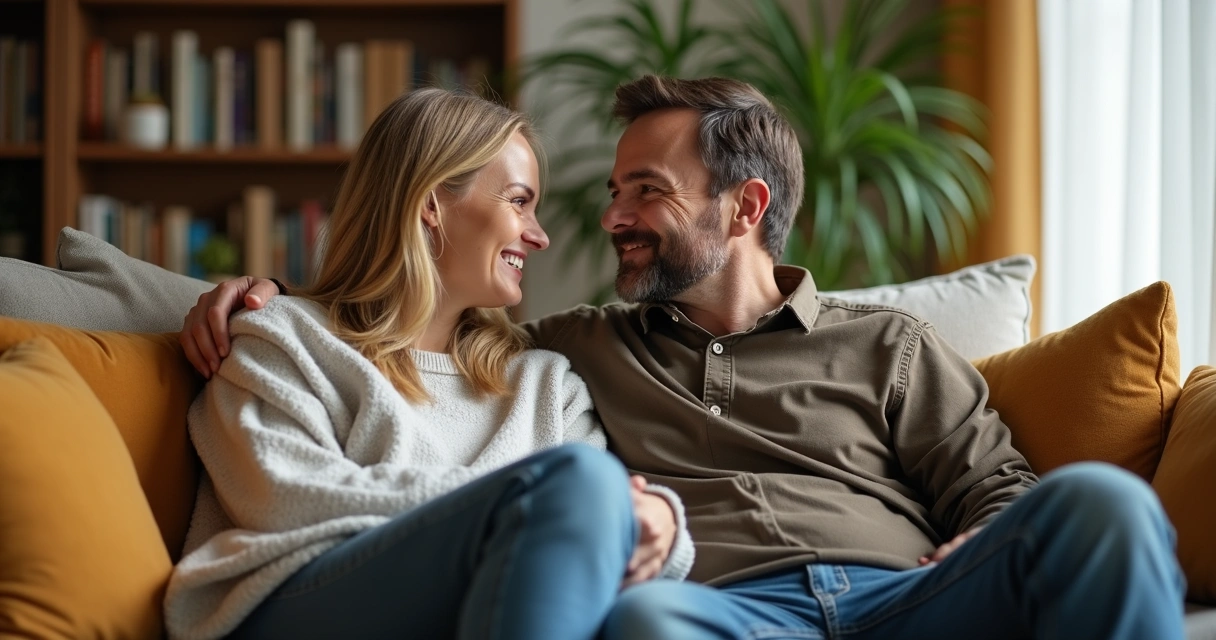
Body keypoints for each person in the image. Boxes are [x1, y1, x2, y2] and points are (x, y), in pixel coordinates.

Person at [183, 76, 1186, 639]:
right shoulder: (574, 352)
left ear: (744, 208)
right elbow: (411, 331)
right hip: (723, 620)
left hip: (902, 601)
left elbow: (1000, 492)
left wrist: (980, 548)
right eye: (612, 191)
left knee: (1106, 505)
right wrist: (255, 293)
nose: (609, 218)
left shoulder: (886, 343)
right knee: (649, 628)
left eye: (646, 192)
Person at [163, 88, 696, 640]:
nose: (539, 236)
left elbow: (608, 534)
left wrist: (663, 522)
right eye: (518, 201)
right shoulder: (282, 337)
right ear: (430, 202)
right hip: (292, 605)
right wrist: (519, 505)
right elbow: (286, 498)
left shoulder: (544, 385)